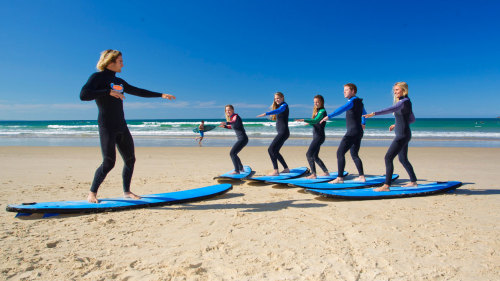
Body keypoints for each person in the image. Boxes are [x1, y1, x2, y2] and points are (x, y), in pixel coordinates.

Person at [80, 49, 176, 203]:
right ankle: (92, 193)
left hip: (121, 125)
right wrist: (108, 92)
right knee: (109, 162)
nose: (123, 64)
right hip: (107, 126)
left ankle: (127, 191)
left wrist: (161, 95)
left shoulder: (119, 82)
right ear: (110, 62)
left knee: (130, 159)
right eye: (120, 61)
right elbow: (84, 95)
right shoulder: (97, 77)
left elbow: (138, 91)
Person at [363, 82, 417, 191]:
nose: (395, 92)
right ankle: (413, 182)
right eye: (394, 90)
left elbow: (390, 109)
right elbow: (412, 119)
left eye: (397, 90)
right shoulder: (407, 102)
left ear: (404, 90)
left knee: (388, 157)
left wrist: (374, 113)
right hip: (404, 133)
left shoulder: (403, 102)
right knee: (403, 159)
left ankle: (386, 185)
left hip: (402, 135)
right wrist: (396, 124)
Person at [321, 83, 366, 183]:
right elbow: (364, 113)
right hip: (359, 131)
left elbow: (341, 109)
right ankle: (362, 177)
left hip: (352, 132)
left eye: (346, 90)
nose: (344, 92)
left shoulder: (352, 101)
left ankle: (340, 178)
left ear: (353, 91)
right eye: (344, 90)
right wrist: (363, 123)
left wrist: (329, 116)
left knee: (340, 153)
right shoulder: (360, 102)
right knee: (354, 154)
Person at [295, 95, 329, 179]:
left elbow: (316, 120)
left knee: (308, 154)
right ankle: (326, 172)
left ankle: (313, 174)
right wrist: (309, 123)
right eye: (314, 102)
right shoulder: (317, 111)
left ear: (322, 102)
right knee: (315, 156)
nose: (316, 104)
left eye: (317, 102)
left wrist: (304, 120)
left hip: (319, 137)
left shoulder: (322, 111)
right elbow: (316, 122)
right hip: (317, 136)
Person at [257, 92, 290, 176]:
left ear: (282, 97)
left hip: (283, 132)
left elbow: (279, 110)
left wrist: (266, 113)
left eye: (278, 98)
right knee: (275, 151)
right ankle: (286, 169)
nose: (276, 100)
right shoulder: (280, 106)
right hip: (283, 132)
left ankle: (276, 170)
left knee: (270, 149)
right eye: (275, 99)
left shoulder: (284, 106)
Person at [220, 105, 248, 174]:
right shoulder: (232, 118)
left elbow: (234, 122)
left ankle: (237, 170)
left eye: (229, 110)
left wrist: (227, 123)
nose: (228, 111)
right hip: (242, 139)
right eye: (226, 110)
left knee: (232, 153)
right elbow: (233, 126)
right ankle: (241, 168)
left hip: (243, 138)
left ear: (233, 110)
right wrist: (225, 126)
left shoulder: (235, 116)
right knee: (234, 153)